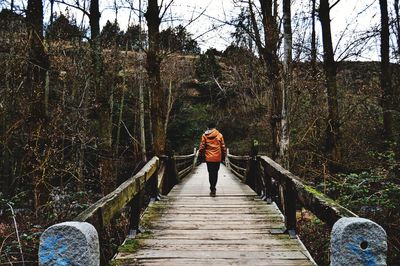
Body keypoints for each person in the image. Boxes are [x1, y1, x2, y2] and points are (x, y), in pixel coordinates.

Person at [198, 122, 226, 197]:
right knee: (215, 173)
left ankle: (212, 189)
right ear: (215, 127)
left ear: (208, 127)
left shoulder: (204, 135)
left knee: (211, 173)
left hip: (209, 158)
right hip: (217, 157)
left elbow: (202, 146)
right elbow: (223, 147)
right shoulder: (220, 135)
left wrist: (200, 154)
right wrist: (224, 156)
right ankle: (214, 188)